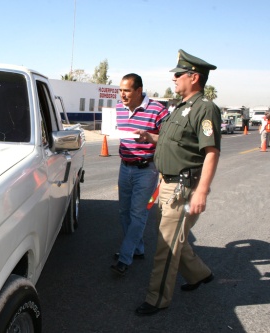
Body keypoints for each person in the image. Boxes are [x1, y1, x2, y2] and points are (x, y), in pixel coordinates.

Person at [132, 49, 222, 315]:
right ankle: (199, 274)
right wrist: (149, 137)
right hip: (168, 185)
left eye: (179, 74)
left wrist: (201, 192)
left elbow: (211, 152)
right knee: (175, 238)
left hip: (184, 188)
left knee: (167, 245)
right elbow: (173, 142)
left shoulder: (205, 109)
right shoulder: (180, 108)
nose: (174, 78)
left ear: (194, 77)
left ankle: (157, 298)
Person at [110, 73, 168, 276]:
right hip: (125, 166)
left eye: (126, 91)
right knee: (124, 212)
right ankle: (138, 248)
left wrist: (150, 137)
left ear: (138, 90)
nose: (122, 95)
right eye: (120, 90)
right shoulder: (117, 109)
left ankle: (125, 257)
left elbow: (169, 140)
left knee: (138, 213)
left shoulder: (158, 110)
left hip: (147, 169)